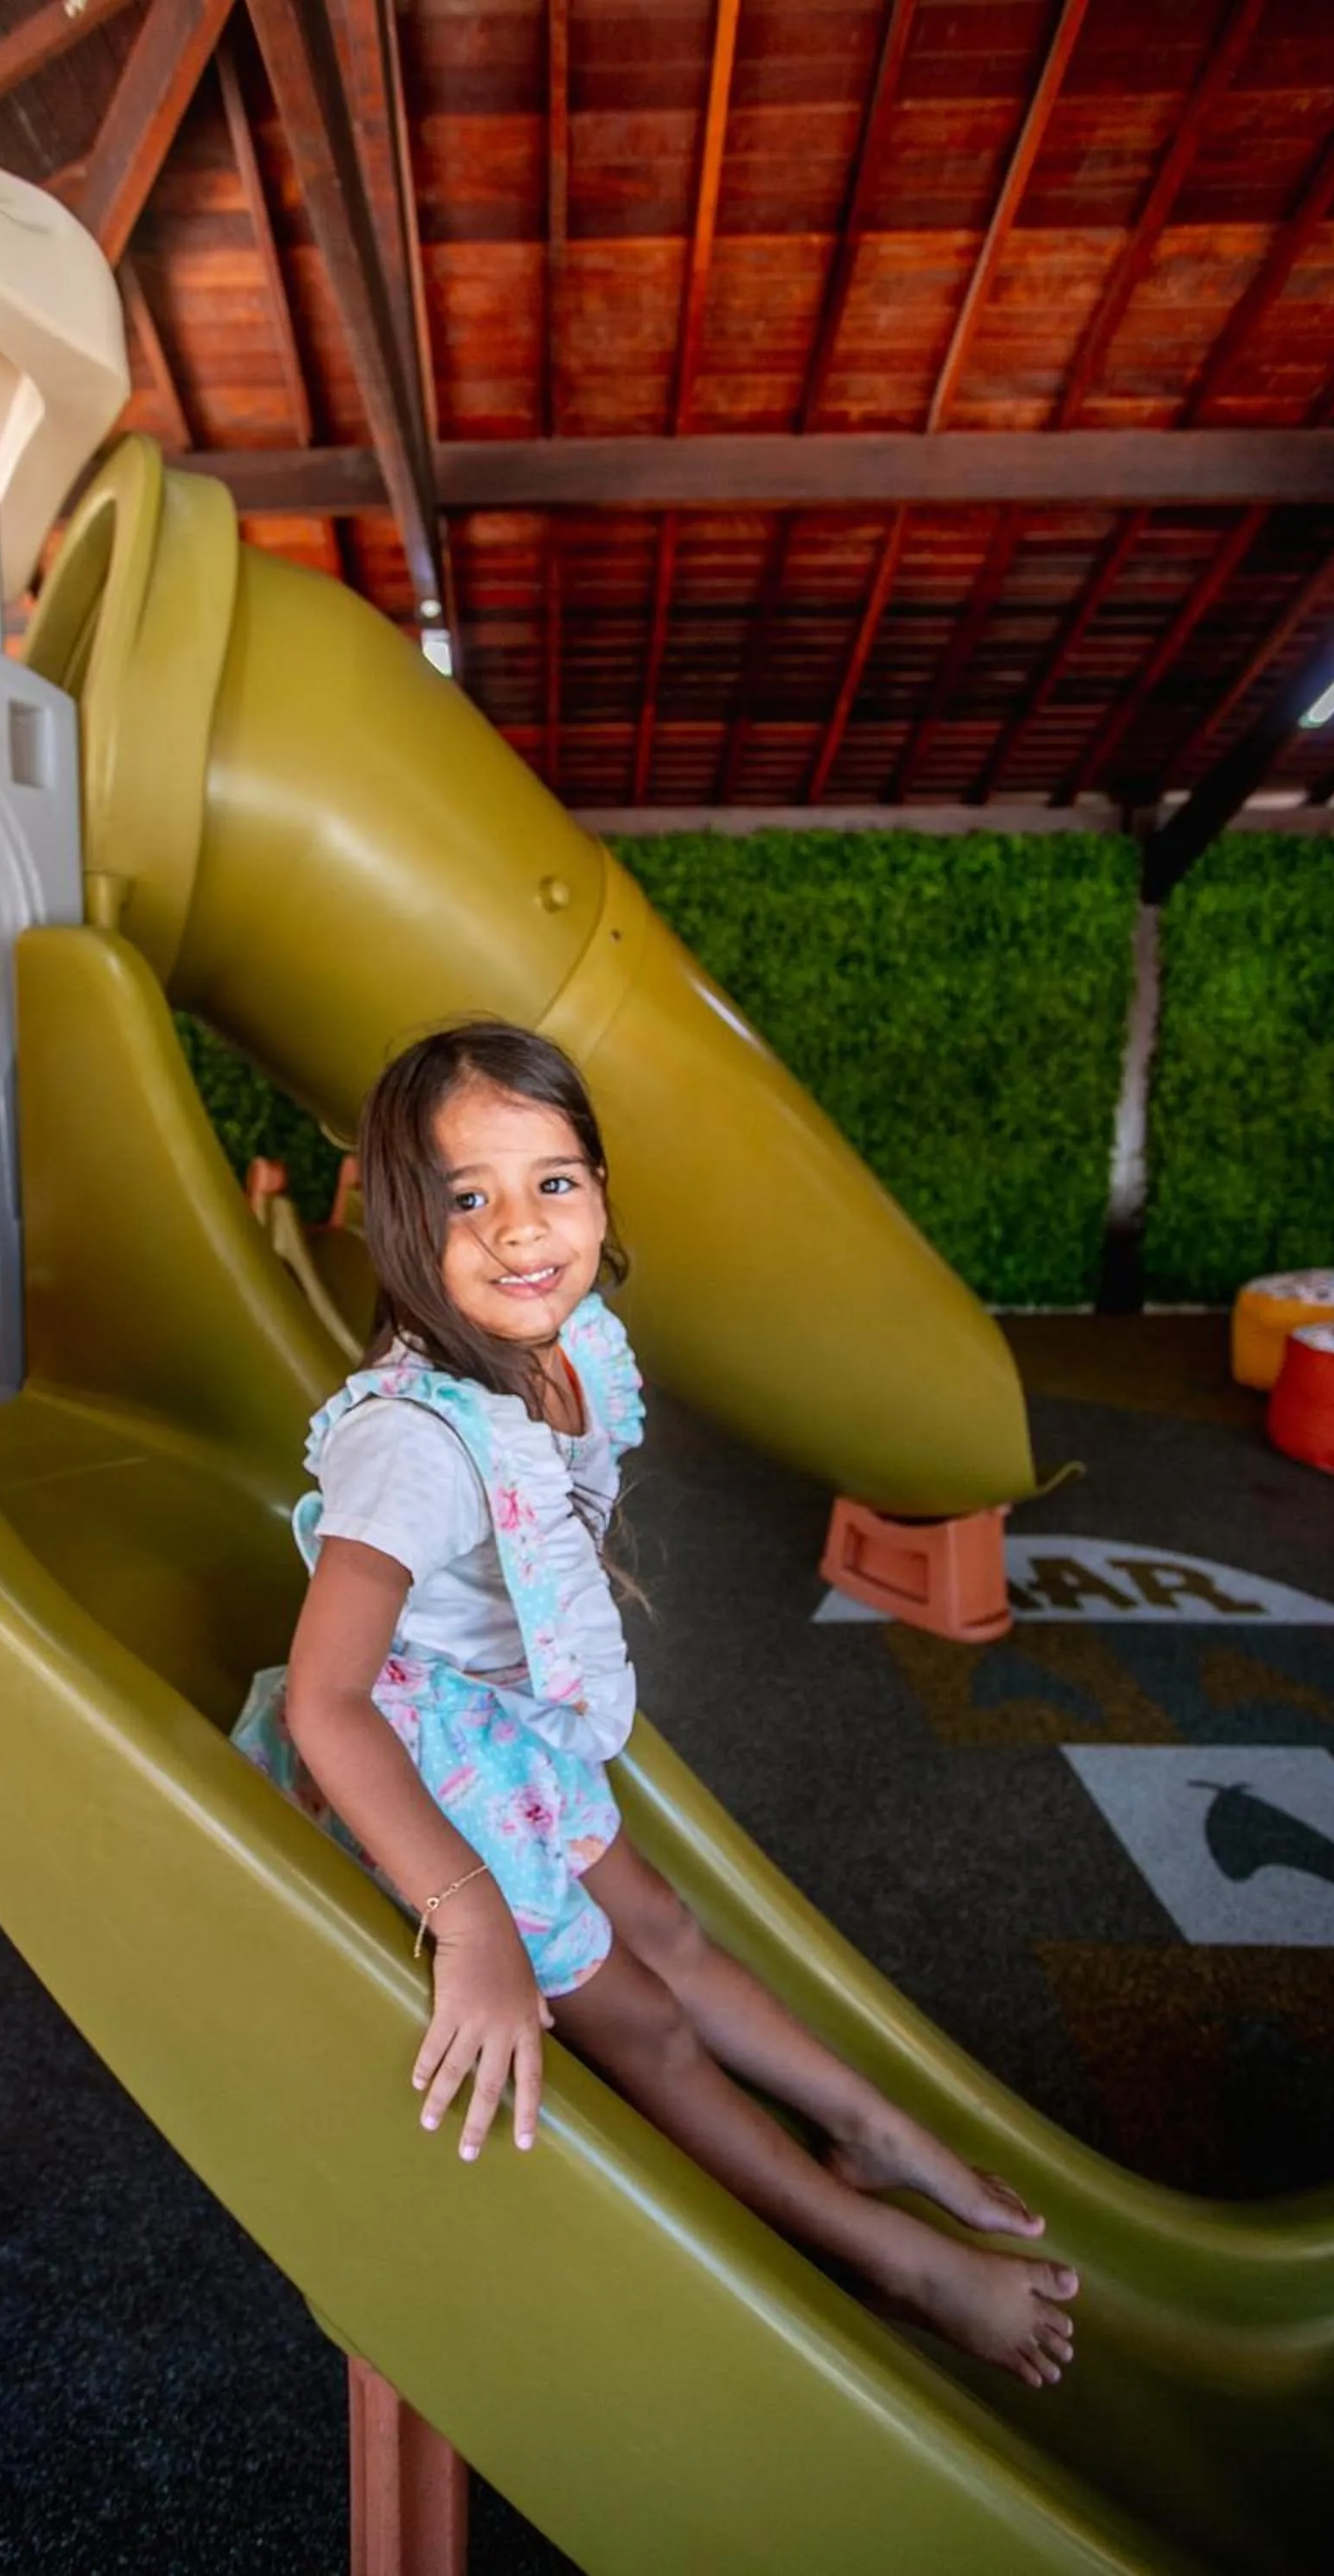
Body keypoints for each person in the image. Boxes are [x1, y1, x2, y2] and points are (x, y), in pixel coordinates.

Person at [233, 1021, 1077, 2389]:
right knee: (654, 2028)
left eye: (555, 1182)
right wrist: (472, 1923)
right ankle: (893, 2255)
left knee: (673, 1926)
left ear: (603, 1191)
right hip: (430, 1758)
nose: (522, 1231)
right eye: (468, 1197)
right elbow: (331, 1699)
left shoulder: (572, 1352)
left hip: (505, 1728)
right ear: (401, 1223)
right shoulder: (413, 1443)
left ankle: (875, 2132)